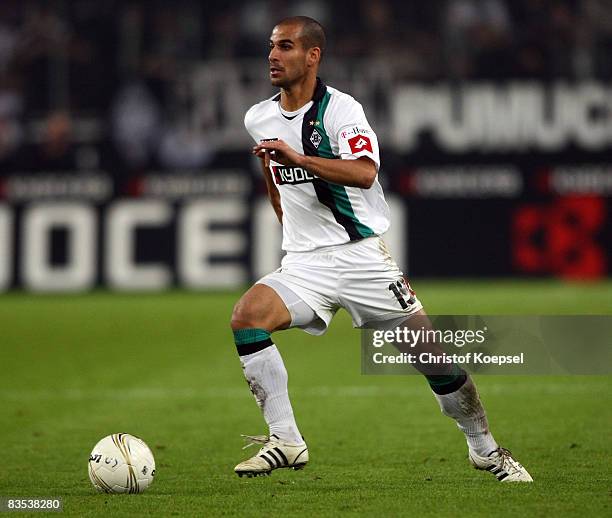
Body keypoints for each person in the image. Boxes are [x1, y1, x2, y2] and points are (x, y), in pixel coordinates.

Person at [231, 16, 532, 482]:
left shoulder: (341, 111)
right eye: (271, 46)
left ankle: (485, 449)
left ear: (313, 56)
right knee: (248, 317)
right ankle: (286, 441)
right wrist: (289, 225)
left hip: (362, 258)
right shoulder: (259, 117)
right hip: (306, 264)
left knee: (434, 361)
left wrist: (301, 159)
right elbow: (274, 180)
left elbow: (365, 172)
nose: (273, 55)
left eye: (286, 47)